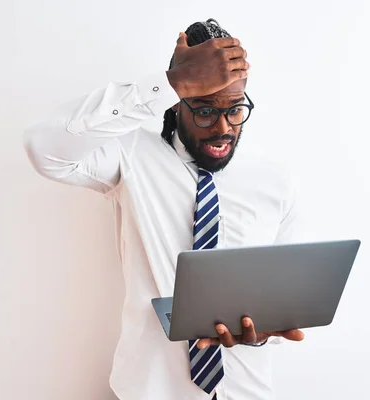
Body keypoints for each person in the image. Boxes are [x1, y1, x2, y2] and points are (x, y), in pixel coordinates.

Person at [24, 18, 305, 400]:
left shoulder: (275, 181)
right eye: (205, 110)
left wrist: (264, 332)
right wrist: (168, 82)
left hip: (247, 391)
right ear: (178, 101)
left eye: (236, 110)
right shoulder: (130, 155)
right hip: (152, 391)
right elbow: (45, 149)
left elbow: (278, 299)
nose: (223, 128)